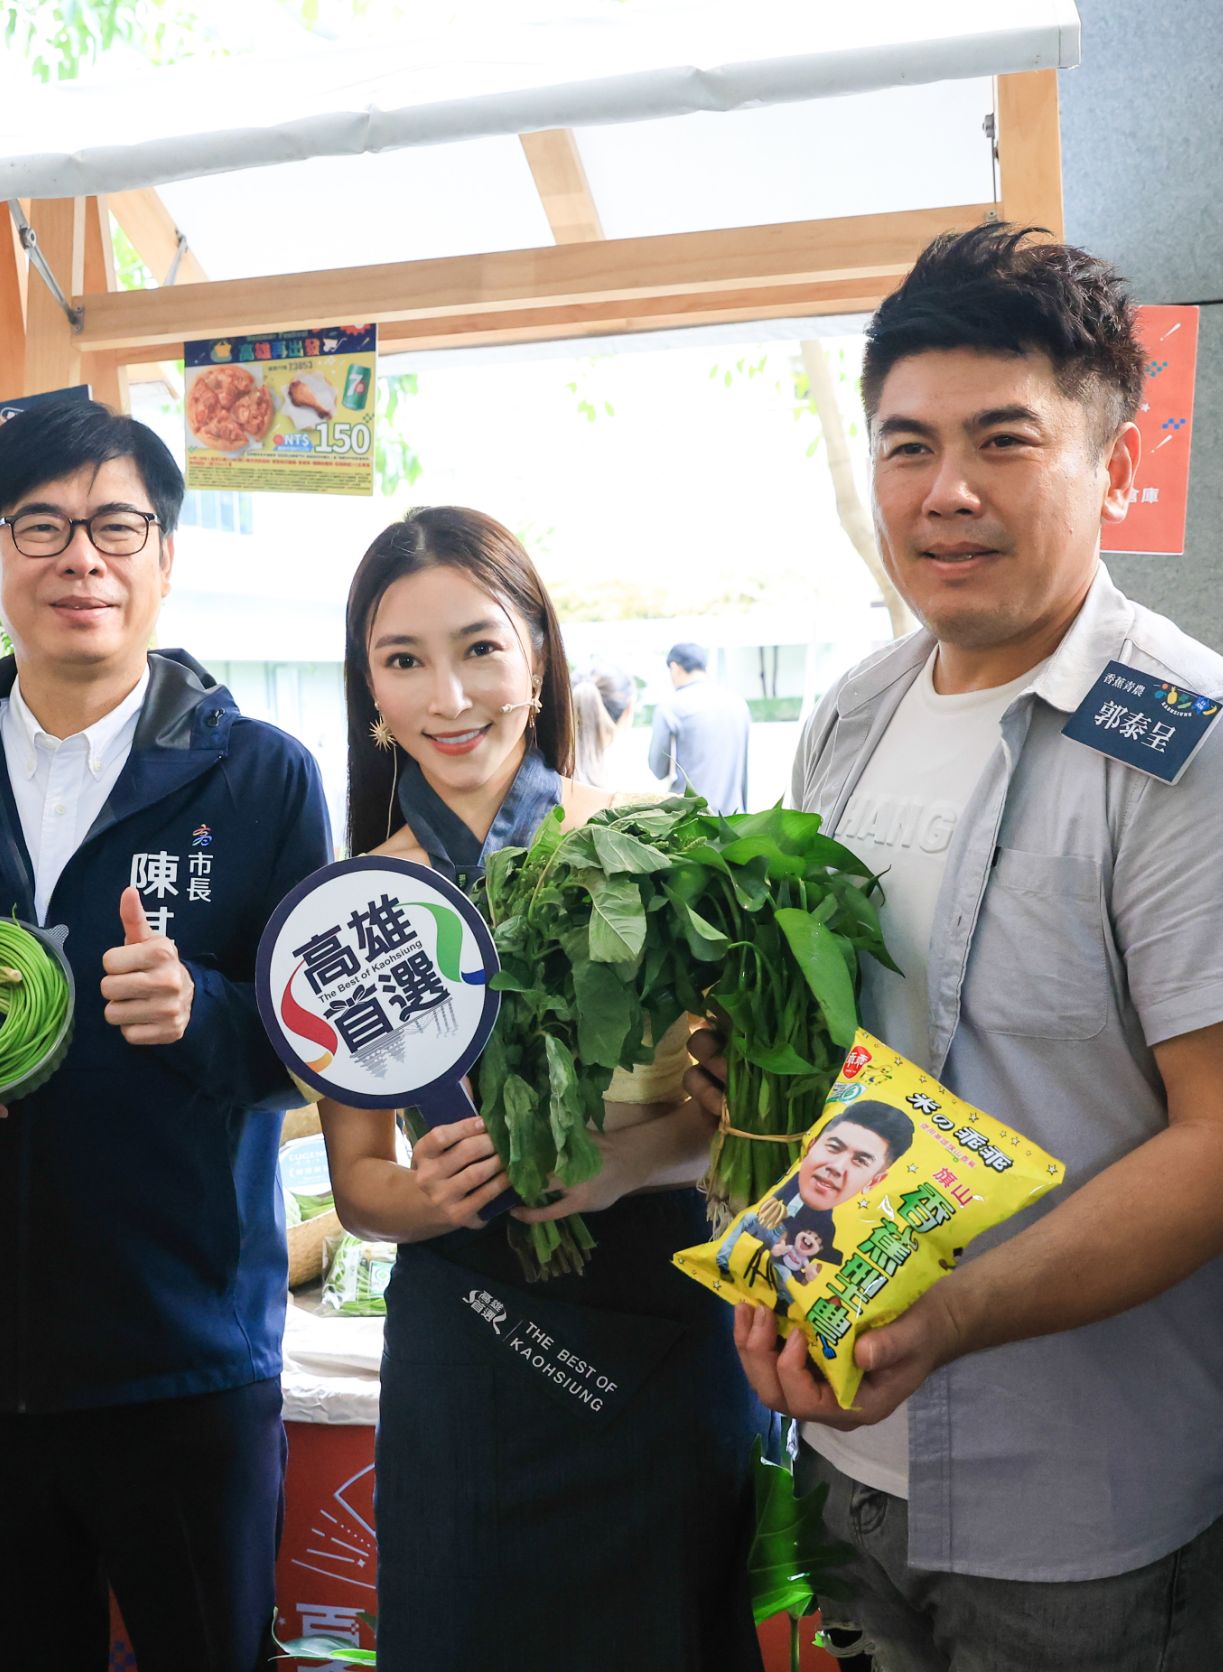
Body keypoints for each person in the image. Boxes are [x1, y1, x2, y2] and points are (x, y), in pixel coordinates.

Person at [690, 224, 1223, 1671]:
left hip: (1095, 1501)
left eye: (1006, 440)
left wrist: (959, 1310)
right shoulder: (853, 716)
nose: (947, 492)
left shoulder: (1200, 744)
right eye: (906, 446)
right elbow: (843, 1054)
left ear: (1115, 459)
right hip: (854, 1462)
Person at [0, 399, 330, 1672]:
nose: (78, 558)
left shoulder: (258, 777)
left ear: (164, 557)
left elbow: (312, 1049)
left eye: (114, 525)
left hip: (185, 1356)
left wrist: (202, 1010)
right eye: (38, 527)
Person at [316, 506, 759, 1672]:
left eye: (480, 649)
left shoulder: (657, 850)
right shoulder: (355, 904)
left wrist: (620, 1160)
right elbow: (358, 1181)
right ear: (371, 697)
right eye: (403, 661)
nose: (449, 697)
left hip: (659, 1321)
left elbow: (734, 1122)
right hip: (467, 1333)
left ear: (538, 659)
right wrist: (432, 1196)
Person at [713, 1102, 914, 1308]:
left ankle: (784, 1301)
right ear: (813, 1144)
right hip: (763, 1229)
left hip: (785, 1255)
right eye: (834, 1147)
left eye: (861, 1161)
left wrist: (805, 1271)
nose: (836, 1167)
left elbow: (824, 1255)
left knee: (783, 1274)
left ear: (873, 1181)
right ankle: (721, 1260)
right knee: (747, 1219)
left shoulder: (829, 1227)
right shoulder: (788, 1184)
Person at [648, 640, 751, 810]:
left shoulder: (671, 707)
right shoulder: (738, 703)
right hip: (733, 816)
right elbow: (743, 772)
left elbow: (658, 769)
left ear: (675, 667)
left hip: (691, 819)